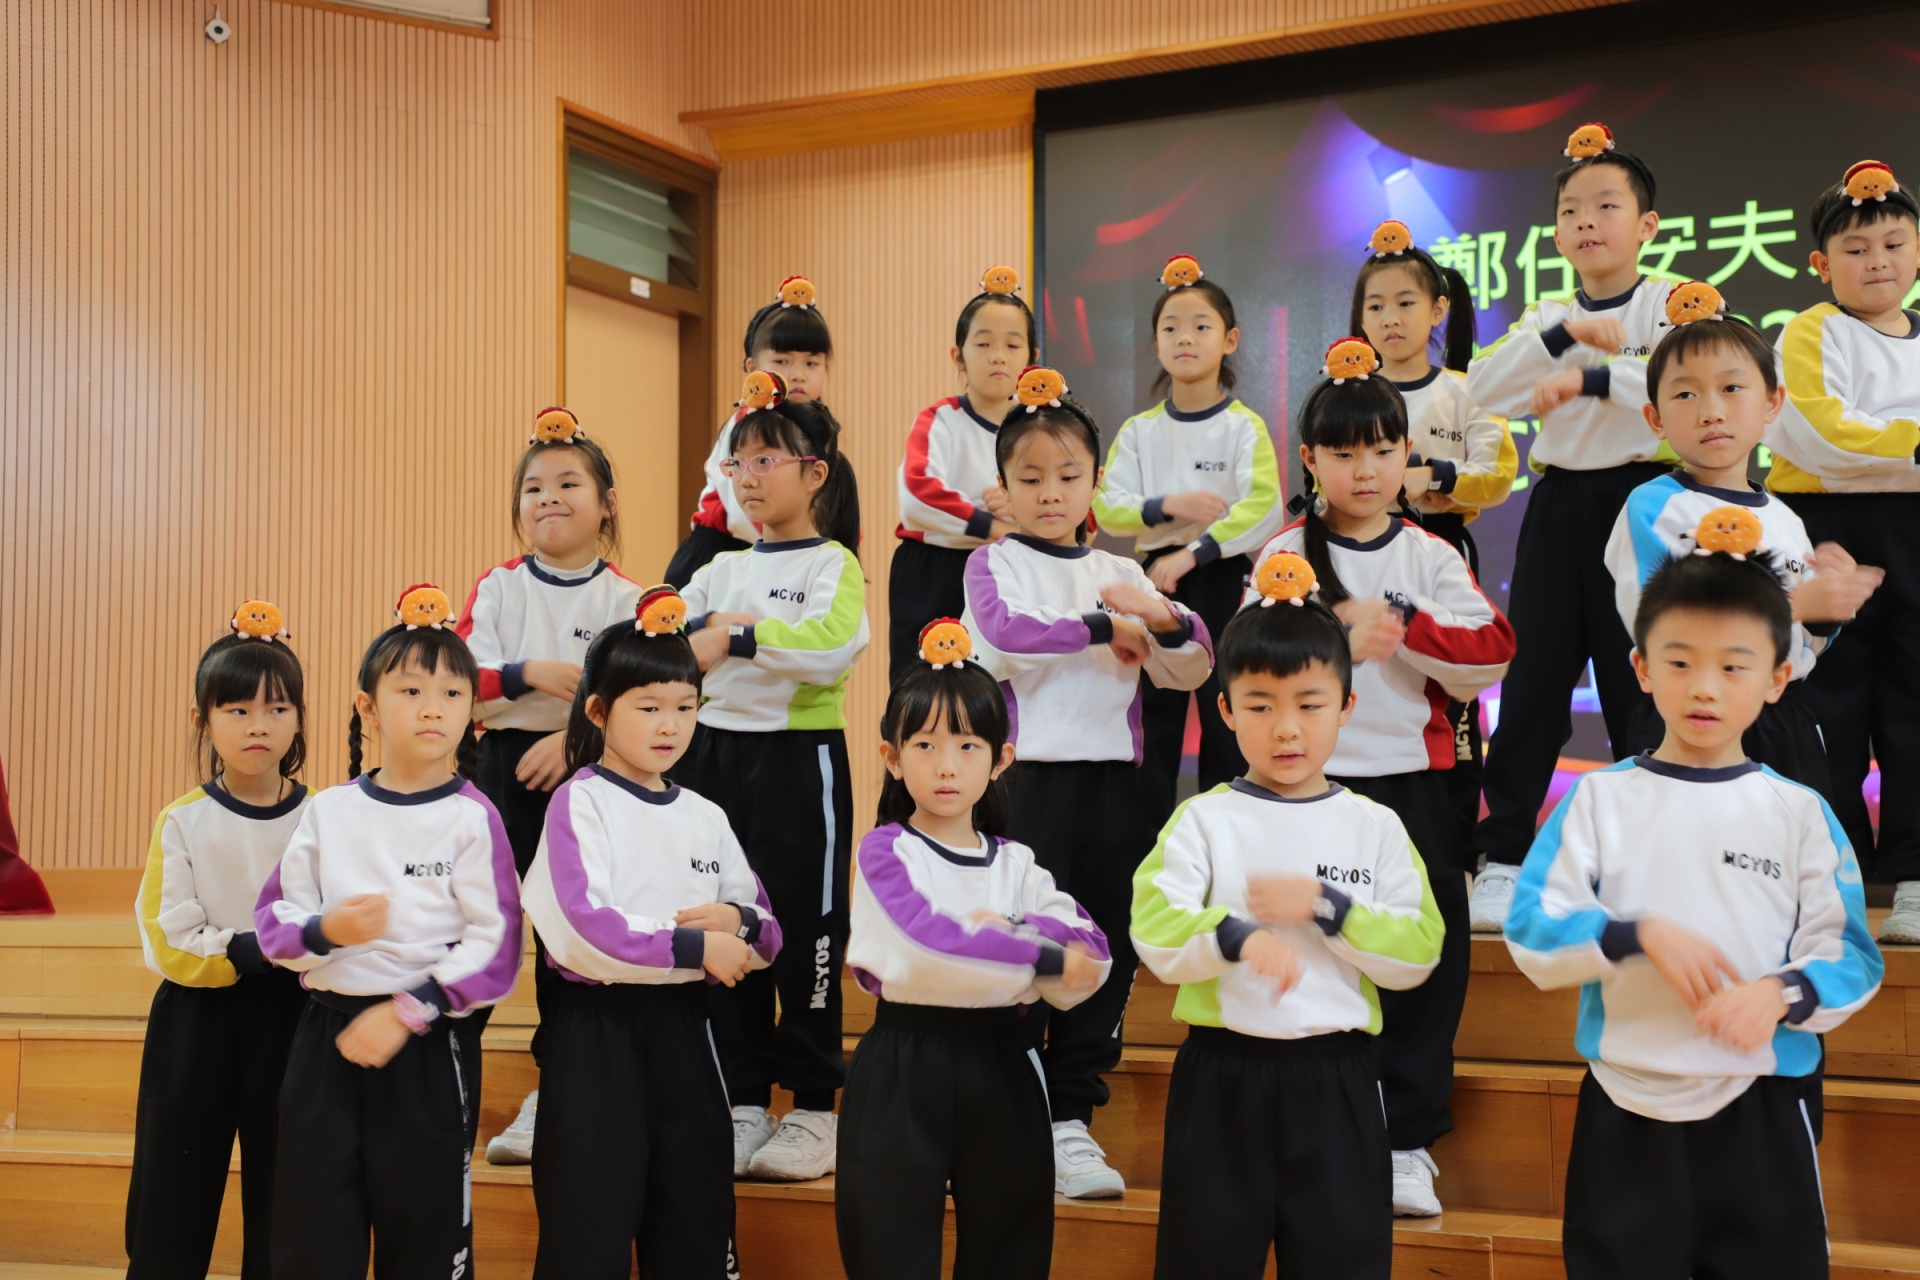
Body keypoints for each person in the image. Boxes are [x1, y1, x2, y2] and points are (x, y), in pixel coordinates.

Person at [1505, 538, 1882, 1280]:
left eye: (1734, 666)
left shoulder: (1800, 812)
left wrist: (1779, 994)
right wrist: (1634, 934)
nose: (1704, 688)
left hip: (1762, 1107)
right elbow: (1532, 933)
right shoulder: (1599, 800)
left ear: (1777, 678)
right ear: (1642, 668)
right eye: (1680, 663)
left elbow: (1851, 958)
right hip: (1625, 1105)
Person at [1242, 340, 1513, 1215]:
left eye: (1383, 450)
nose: (1365, 470)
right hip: (1302, 793)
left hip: (1413, 788)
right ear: (1310, 459)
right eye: (1344, 452)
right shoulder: (1284, 553)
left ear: (1408, 455)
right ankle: (1323, 1131)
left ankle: (1405, 1141)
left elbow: (1491, 651)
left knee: (1423, 959)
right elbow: (1247, 667)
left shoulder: (1430, 554)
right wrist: (1334, 642)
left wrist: (1398, 622)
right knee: (1315, 956)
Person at [1132, 555, 1443, 1278]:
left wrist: (1329, 908)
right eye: (1261, 706)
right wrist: (1235, 936)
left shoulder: (1375, 826)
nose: (1286, 729)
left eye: (1309, 704)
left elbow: (1418, 949)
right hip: (1222, 1078)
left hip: (1337, 1081)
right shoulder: (1203, 819)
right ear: (1226, 711)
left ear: (1346, 706)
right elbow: (1154, 925)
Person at [962, 366, 1214, 1199]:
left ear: (1095, 483)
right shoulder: (993, 565)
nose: (1050, 493)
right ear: (1003, 487)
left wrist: (1165, 619)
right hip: (1025, 786)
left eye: (1068, 476)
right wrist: (1108, 625)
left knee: (1102, 941)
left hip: (1116, 788)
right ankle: (1012, 1110)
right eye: (1030, 477)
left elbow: (1193, 665)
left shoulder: (1120, 569)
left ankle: (1070, 1118)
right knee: (1023, 940)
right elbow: (1008, 634)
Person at [254, 586, 522, 1280]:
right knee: (313, 1236)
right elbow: (273, 922)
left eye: (452, 693)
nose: (433, 708)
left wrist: (409, 1010)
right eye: (410, 691)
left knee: (424, 1239)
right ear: (368, 708)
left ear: (471, 710)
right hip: (326, 1038)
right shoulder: (329, 811)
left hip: (427, 1047)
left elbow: (496, 949)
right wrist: (325, 930)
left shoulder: (473, 819)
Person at [519, 587, 780, 1279]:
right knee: (587, 1235)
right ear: (599, 711)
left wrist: (736, 922)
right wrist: (698, 945)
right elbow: (586, 931)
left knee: (694, 1228)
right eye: (649, 707)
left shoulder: (705, 816)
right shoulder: (579, 802)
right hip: (595, 1037)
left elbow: (766, 931)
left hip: (687, 1033)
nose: (670, 725)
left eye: (685, 707)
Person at [837, 620, 1109, 1279]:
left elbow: (1092, 953)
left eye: (967, 745)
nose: (947, 765)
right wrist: (1035, 955)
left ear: (1001, 759)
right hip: (904, 1062)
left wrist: (1011, 934)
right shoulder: (885, 851)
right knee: (889, 1249)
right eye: (925, 745)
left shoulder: (1019, 863)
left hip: (1004, 1060)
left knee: (1009, 1250)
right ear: (893, 757)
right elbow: (926, 946)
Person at [1466, 122, 1684, 933]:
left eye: (1606, 205)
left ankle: (1644, 859)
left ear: (1647, 224)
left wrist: (1588, 378)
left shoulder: (1670, 300)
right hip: (1558, 506)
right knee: (1533, 686)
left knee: (1641, 686)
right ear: (1555, 234)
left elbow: (1685, 380)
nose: (1586, 221)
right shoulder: (1547, 312)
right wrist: (1561, 339)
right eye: (1570, 211)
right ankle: (1503, 856)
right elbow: (1485, 389)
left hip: (1648, 499)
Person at [677, 373, 868, 1182]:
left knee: (808, 928)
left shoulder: (833, 563)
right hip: (713, 757)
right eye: (739, 463)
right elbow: (665, 637)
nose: (749, 477)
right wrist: (717, 629)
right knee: (730, 921)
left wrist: (737, 638)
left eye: (767, 461)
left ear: (813, 473)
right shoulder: (717, 570)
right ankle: (744, 1099)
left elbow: (831, 645)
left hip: (800, 760)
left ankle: (816, 1107)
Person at [1604, 283, 1883, 798]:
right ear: (1655, 418)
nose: (1711, 411)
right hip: (1693, 719)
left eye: (1732, 388)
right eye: (1685, 394)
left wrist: (1830, 608)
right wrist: (1796, 603)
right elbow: (1661, 620)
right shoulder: (1654, 505)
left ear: (1773, 402)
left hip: (1785, 716)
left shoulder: (1785, 517)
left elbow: (1806, 645)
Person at [459, 406, 640, 1165]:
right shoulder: (500, 587)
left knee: (568, 935)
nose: (549, 499)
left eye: (569, 484)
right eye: (533, 488)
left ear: (606, 505)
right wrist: (529, 673)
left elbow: (644, 704)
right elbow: (462, 682)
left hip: (589, 777)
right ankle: (450, 1083)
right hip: (500, 772)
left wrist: (574, 742)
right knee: (482, 924)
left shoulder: (627, 600)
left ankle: (559, 1090)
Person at [127, 603, 312, 1280]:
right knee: (172, 1196)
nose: (258, 724)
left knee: (286, 1196)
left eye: (277, 708)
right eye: (237, 709)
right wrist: (256, 949)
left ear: (299, 719)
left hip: (296, 1020)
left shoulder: (325, 815)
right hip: (196, 1023)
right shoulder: (184, 819)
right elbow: (168, 939)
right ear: (202, 720)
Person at [1762, 159, 1920, 942]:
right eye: (1856, 249)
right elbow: (1822, 435)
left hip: (1913, 525)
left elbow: (1858, 438)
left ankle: (1915, 876)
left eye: (1894, 243)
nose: (1878, 261)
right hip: (1825, 528)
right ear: (1822, 264)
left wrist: (1893, 450)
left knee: (1915, 704)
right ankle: (1836, 879)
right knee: (1830, 706)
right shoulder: (1810, 330)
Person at [1093, 254, 1281, 815]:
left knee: (1228, 717)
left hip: (1222, 579)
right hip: (1153, 580)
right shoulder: (1139, 431)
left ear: (1230, 340)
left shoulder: (1242, 426)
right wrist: (1170, 505)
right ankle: (1145, 847)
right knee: (1153, 723)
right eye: (1171, 328)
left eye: (1201, 326)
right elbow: (1106, 509)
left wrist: (1194, 552)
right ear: (1155, 342)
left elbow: (1263, 509)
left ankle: (1229, 837)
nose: (1185, 338)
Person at [1352, 219, 1518, 842]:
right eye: (1375, 306)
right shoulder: (1352, 398)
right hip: (1360, 553)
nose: (1389, 319)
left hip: (1442, 546)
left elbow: (1497, 475)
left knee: (1453, 690)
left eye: (1405, 303)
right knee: (1373, 682)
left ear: (1438, 309)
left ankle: (1457, 840)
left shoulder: (1467, 390)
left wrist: (1435, 476)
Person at [889, 265, 1034, 681]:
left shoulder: (1040, 431)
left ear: (1032, 359)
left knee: (997, 690)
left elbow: (1081, 521)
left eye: (1013, 344)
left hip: (1010, 569)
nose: (998, 355)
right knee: (921, 690)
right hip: (932, 572)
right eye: (983, 343)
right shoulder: (941, 420)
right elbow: (917, 496)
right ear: (958, 356)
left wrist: (1020, 509)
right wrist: (996, 525)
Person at [665, 275, 835, 587]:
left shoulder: (821, 432)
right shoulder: (746, 424)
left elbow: (831, 501)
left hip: (781, 555)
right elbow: (744, 508)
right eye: (782, 361)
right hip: (721, 554)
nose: (797, 375)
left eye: (811, 363)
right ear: (752, 368)